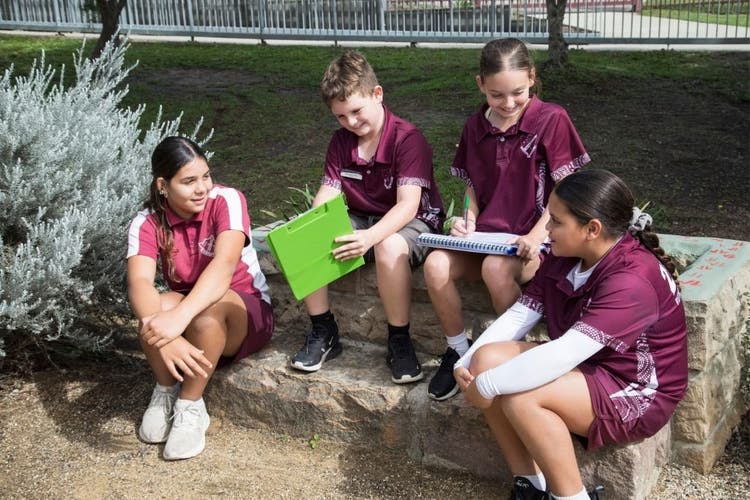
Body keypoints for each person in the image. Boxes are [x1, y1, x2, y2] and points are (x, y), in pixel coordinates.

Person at [454, 169, 688, 500]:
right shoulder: (567, 255)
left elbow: (565, 353)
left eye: (556, 222)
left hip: (634, 389)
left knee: (522, 395)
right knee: (485, 360)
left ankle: (570, 497)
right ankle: (530, 485)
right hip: (591, 363)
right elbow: (522, 314)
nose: (546, 230)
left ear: (592, 229)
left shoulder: (632, 280)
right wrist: (462, 365)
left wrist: (485, 387)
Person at [424, 38, 591, 401]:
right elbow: (472, 189)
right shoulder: (474, 127)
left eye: (517, 92)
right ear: (480, 84)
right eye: (496, 95)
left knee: (496, 270)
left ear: (532, 77)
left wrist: (536, 233)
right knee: (436, 264)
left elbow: (567, 190)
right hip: (487, 238)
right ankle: (458, 349)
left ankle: (516, 356)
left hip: (540, 241)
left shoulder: (552, 119)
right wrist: (467, 220)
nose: (508, 103)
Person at [289, 50, 444, 384]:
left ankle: (399, 339)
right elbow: (327, 193)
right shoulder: (341, 141)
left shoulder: (408, 139)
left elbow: (408, 206)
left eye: (356, 111)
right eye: (341, 116)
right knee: (308, 235)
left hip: (414, 220)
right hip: (363, 217)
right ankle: (323, 329)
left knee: (388, 246)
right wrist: (312, 228)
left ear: (378, 94)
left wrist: (368, 240)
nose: (351, 122)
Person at [126, 136, 274, 460]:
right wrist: (163, 333)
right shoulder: (146, 220)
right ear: (163, 185)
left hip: (242, 311)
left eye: (205, 176)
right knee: (153, 307)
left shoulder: (228, 200)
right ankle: (165, 390)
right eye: (189, 181)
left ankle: (190, 405)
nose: (202, 188)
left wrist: (173, 324)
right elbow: (139, 282)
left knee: (200, 313)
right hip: (189, 310)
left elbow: (223, 269)